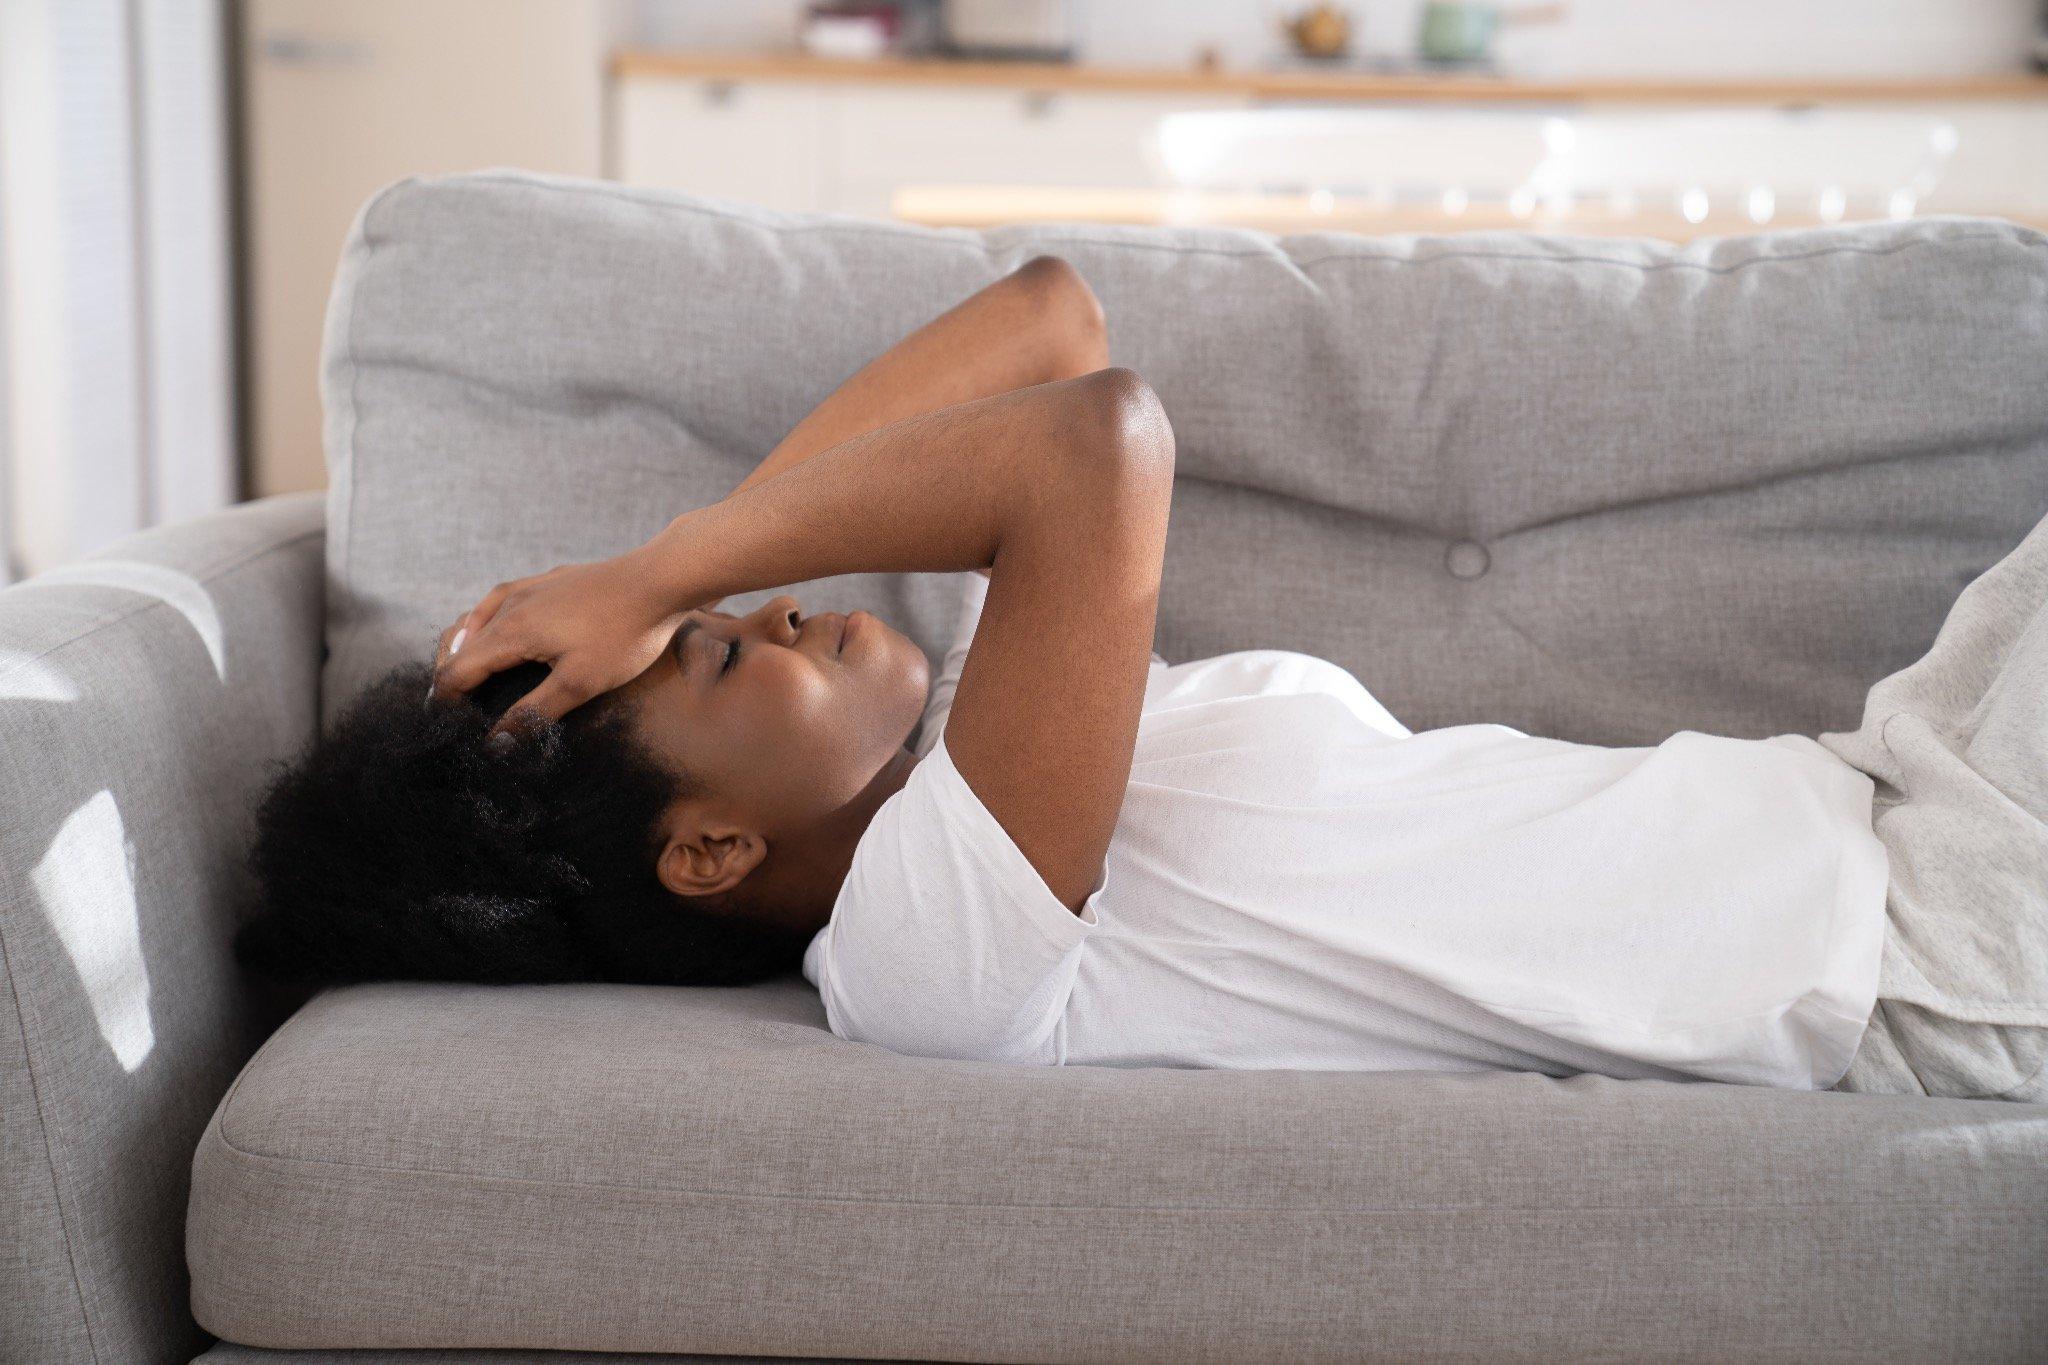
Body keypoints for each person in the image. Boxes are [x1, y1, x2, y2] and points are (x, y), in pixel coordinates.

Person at [239, 258, 2047, 1101]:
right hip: (1929, 953)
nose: (769, 609)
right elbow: (1096, 436)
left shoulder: (977, 769)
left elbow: (1048, 318)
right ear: (706, 851)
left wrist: (677, 569)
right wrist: (658, 579)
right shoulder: (929, 946)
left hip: (1879, 783)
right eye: (717, 653)